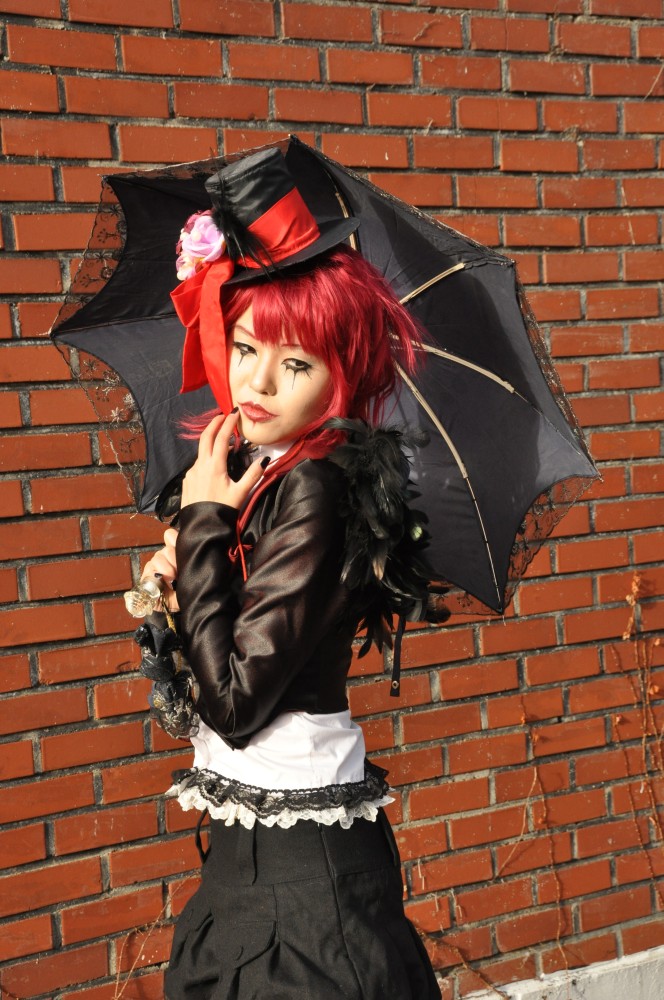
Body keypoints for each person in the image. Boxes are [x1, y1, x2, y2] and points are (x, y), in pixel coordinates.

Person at [137, 148, 443, 999]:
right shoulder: (262, 473)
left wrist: (206, 526)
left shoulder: (317, 484)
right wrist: (186, 568)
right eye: (244, 347)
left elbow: (234, 703)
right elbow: (209, 679)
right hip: (260, 859)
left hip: (299, 889)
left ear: (343, 376)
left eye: (296, 363)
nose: (258, 381)